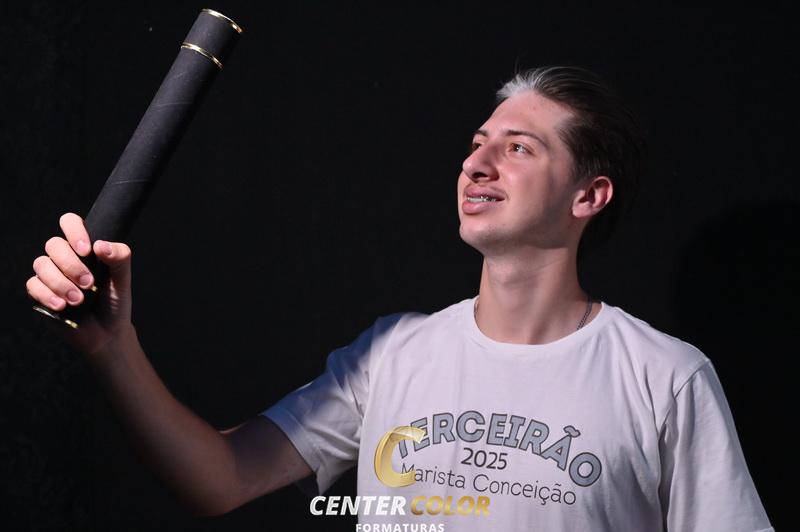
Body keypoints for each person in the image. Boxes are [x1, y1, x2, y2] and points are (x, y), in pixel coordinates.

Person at [26, 66, 772, 531]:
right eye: (477, 143)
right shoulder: (394, 353)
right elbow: (219, 480)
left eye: (518, 147)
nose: (477, 163)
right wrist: (112, 346)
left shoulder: (664, 377)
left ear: (588, 195)